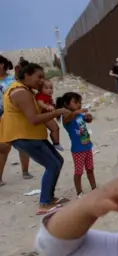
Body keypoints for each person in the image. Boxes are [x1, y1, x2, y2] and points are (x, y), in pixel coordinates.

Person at [0, 63, 71, 214]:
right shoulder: (20, 92)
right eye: (39, 77)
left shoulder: (26, 91)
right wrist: (58, 111)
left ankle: (49, 198)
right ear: (27, 75)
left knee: (58, 161)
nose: (41, 80)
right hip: (23, 136)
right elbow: (33, 118)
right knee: (52, 165)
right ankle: (44, 203)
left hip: (32, 135)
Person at [56, 92, 96, 198]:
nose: (79, 104)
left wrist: (88, 117)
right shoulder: (66, 118)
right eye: (76, 102)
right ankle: (79, 192)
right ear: (66, 104)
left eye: (80, 102)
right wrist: (77, 112)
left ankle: (94, 188)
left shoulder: (79, 115)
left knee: (90, 169)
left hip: (87, 146)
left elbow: (88, 120)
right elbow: (69, 117)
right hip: (78, 149)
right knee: (78, 172)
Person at [0, 55, 31, 185]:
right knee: (3, 147)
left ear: (4, 65)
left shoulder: (13, 79)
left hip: (15, 114)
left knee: (22, 143)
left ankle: (25, 171)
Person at [35, 79, 64, 151]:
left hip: (48, 116)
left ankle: (56, 142)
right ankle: (56, 143)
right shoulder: (41, 96)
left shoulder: (47, 96)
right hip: (45, 116)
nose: (50, 90)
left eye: (51, 88)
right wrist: (47, 106)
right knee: (54, 128)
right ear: (40, 89)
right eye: (46, 88)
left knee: (55, 128)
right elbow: (40, 103)